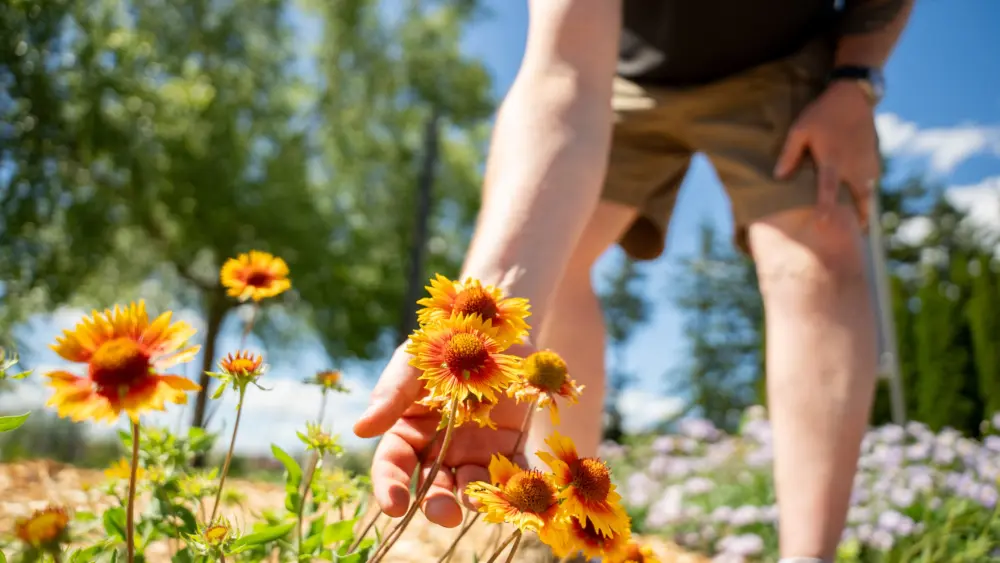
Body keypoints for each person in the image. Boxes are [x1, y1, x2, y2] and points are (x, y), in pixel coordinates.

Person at [353, 0, 914, 561]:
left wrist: (855, 80)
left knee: (818, 249)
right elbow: (563, 73)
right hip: (613, 66)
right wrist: (480, 321)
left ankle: (807, 555)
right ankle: (561, 541)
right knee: (561, 251)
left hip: (784, 59)